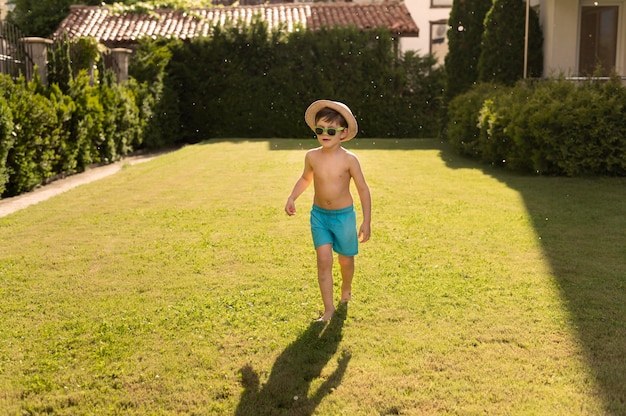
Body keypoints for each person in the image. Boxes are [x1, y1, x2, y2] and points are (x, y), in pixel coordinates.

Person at [285, 100, 371, 322]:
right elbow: (306, 178)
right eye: (320, 129)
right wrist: (292, 196)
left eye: (331, 130)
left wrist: (366, 221)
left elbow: (363, 189)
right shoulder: (312, 157)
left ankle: (346, 289)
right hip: (319, 216)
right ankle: (328, 309)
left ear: (342, 134)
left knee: (345, 261)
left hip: (344, 217)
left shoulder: (349, 160)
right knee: (323, 259)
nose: (324, 134)